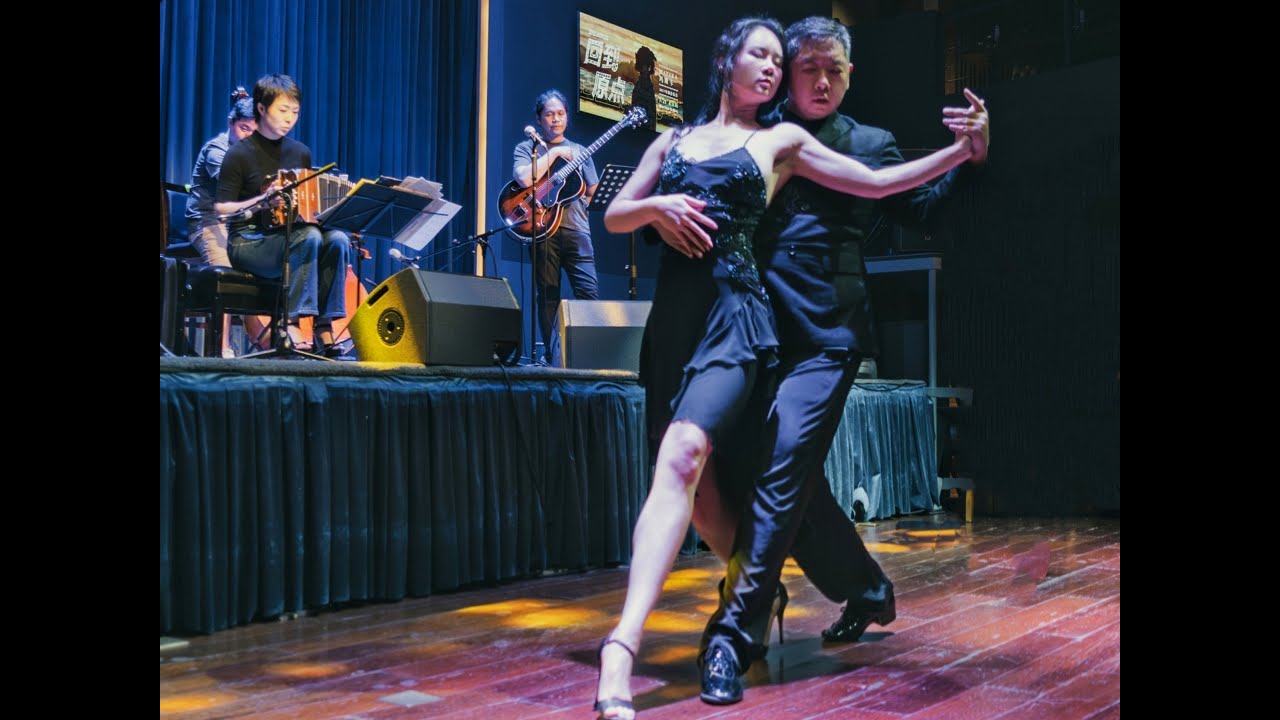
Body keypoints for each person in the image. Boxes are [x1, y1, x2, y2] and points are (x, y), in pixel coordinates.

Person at [593, 17, 974, 719]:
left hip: (771, 324)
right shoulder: (673, 140)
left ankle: (694, 634)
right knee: (720, 490)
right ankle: (831, 586)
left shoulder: (785, 142)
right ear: (728, 61)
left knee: (730, 467)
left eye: (784, 61)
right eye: (765, 57)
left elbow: (887, 185)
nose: (779, 72)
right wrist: (653, 207)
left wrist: (961, 153)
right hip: (693, 320)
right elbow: (615, 213)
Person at [691, 16, 991, 705]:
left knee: (780, 469)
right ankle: (868, 589)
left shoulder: (871, 145)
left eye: (835, 70)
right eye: (809, 70)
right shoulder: (755, 138)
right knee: (782, 480)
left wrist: (969, 159)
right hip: (757, 332)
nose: (822, 82)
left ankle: (733, 636)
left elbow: (921, 209)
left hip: (830, 335)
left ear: (849, 75)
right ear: (788, 74)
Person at [214, 73, 351, 355]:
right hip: (249, 241)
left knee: (337, 238)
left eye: (295, 112)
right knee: (308, 236)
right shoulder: (239, 154)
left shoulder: (300, 152)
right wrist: (263, 200)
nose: (290, 118)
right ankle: (291, 321)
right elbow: (221, 209)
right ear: (261, 109)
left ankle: (324, 325)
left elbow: (309, 205)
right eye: (283, 110)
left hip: (290, 235)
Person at [511, 89, 600, 363]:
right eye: (549, 114)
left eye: (560, 114)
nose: (556, 119)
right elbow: (525, 178)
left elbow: (593, 187)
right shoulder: (527, 149)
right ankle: (553, 356)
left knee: (589, 292)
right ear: (539, 119)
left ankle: (591, 354)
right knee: (548, 294)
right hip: (543, 231)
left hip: (577, 230)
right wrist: (557, 153)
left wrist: (582, 202)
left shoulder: (582, 152)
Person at [183, 88, 257, 357]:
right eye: (243, 128)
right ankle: (221, 348)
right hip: (206, 223)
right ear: (231, 124)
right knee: (224, 267)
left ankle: (267, 341)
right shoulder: (217, 149)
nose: (248, 135)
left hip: (236, 225)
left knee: (269, 261)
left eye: (254, 131)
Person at [630, 46, 658, 132]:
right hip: (640, 124)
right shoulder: (641, 83)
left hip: (645, 125)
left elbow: (651, 109)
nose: (645, 68)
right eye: (643, 66)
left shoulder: (647, 84)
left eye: (647, 66)